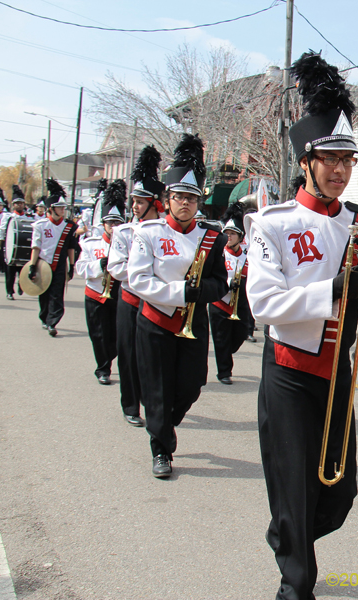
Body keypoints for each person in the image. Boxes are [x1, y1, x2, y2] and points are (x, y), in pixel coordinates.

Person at [244, 52, 358, 600]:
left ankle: (288, 531)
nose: (339, 169)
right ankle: (294, 576)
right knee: (298, 520)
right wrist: (333, 290)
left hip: (340, 375)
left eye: (347, 160)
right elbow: (263, 302)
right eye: (329, 158)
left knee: (339, 496)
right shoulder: (272, 224)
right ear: (307, 161)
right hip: (288, 372)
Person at [128, 133, 229, 478]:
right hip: (155, 321)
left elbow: (220, 282)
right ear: (167, 199)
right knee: (156, 390)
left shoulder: (210, 236)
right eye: (179, 197)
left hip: (193, 322)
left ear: (199, 202)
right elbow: (139, 280)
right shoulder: (148, 233)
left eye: (191, 198)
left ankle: (164, 426)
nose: (185, 203)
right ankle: (161, 450)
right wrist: (179, 292)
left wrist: (199, 294)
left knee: (191, 385)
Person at [107, 144, 166, 427]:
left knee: (154, 360)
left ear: (155, 204)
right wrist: (145, 276)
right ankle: (130, 404)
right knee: (128, 356)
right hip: (131, 301)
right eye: (133, 202)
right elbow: (116, 268)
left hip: (158, 304)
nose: (134, 207)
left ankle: (154, 404)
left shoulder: (166, 230)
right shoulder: (123, 231)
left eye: (140, 202)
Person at [76, 180, 126, 385]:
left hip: (118, 294)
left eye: (117, 223)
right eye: (110, 223)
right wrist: (99, 265)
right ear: (103, 224)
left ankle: (109, 357)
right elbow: (80, 268)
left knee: (116, 336)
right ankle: (102, 368)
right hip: (96, 295)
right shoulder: (90, 244)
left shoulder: (127, 245)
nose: (114, 227)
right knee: (98, 334)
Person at [28, 179, 80, 337]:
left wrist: (71, 266)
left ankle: (52, 322)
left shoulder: (69, 226)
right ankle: (44, 317)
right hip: (43, 264)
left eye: (64, 208)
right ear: (51, 209)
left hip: (60, 265)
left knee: (57, 294)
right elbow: (36, 247)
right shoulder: (40, 225)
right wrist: (32, 265)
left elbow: (71, 247)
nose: (62, 211)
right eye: (59, 208)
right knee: (44, 294)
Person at [209, 202, 251, 385]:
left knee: (240, 334)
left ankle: (228, 352)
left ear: (240, 237)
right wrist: (228, 283)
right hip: (220, 303)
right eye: (226, 233)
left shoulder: (247, 257)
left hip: (240, 304)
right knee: (221, 339)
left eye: (232, 234)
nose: (228, 237)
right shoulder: (219, 254)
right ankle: (224, 372)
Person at [0, 185, 29, 299]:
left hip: (24, 249)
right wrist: (0, 245)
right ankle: (9, 292)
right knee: (10, 272)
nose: (19, 205)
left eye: (21, 203)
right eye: (17, 203)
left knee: (23, 272)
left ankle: (21, 285)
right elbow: (1, 231)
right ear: (13, 205)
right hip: (10, 248)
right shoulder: (8, 217)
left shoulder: (30, 218)